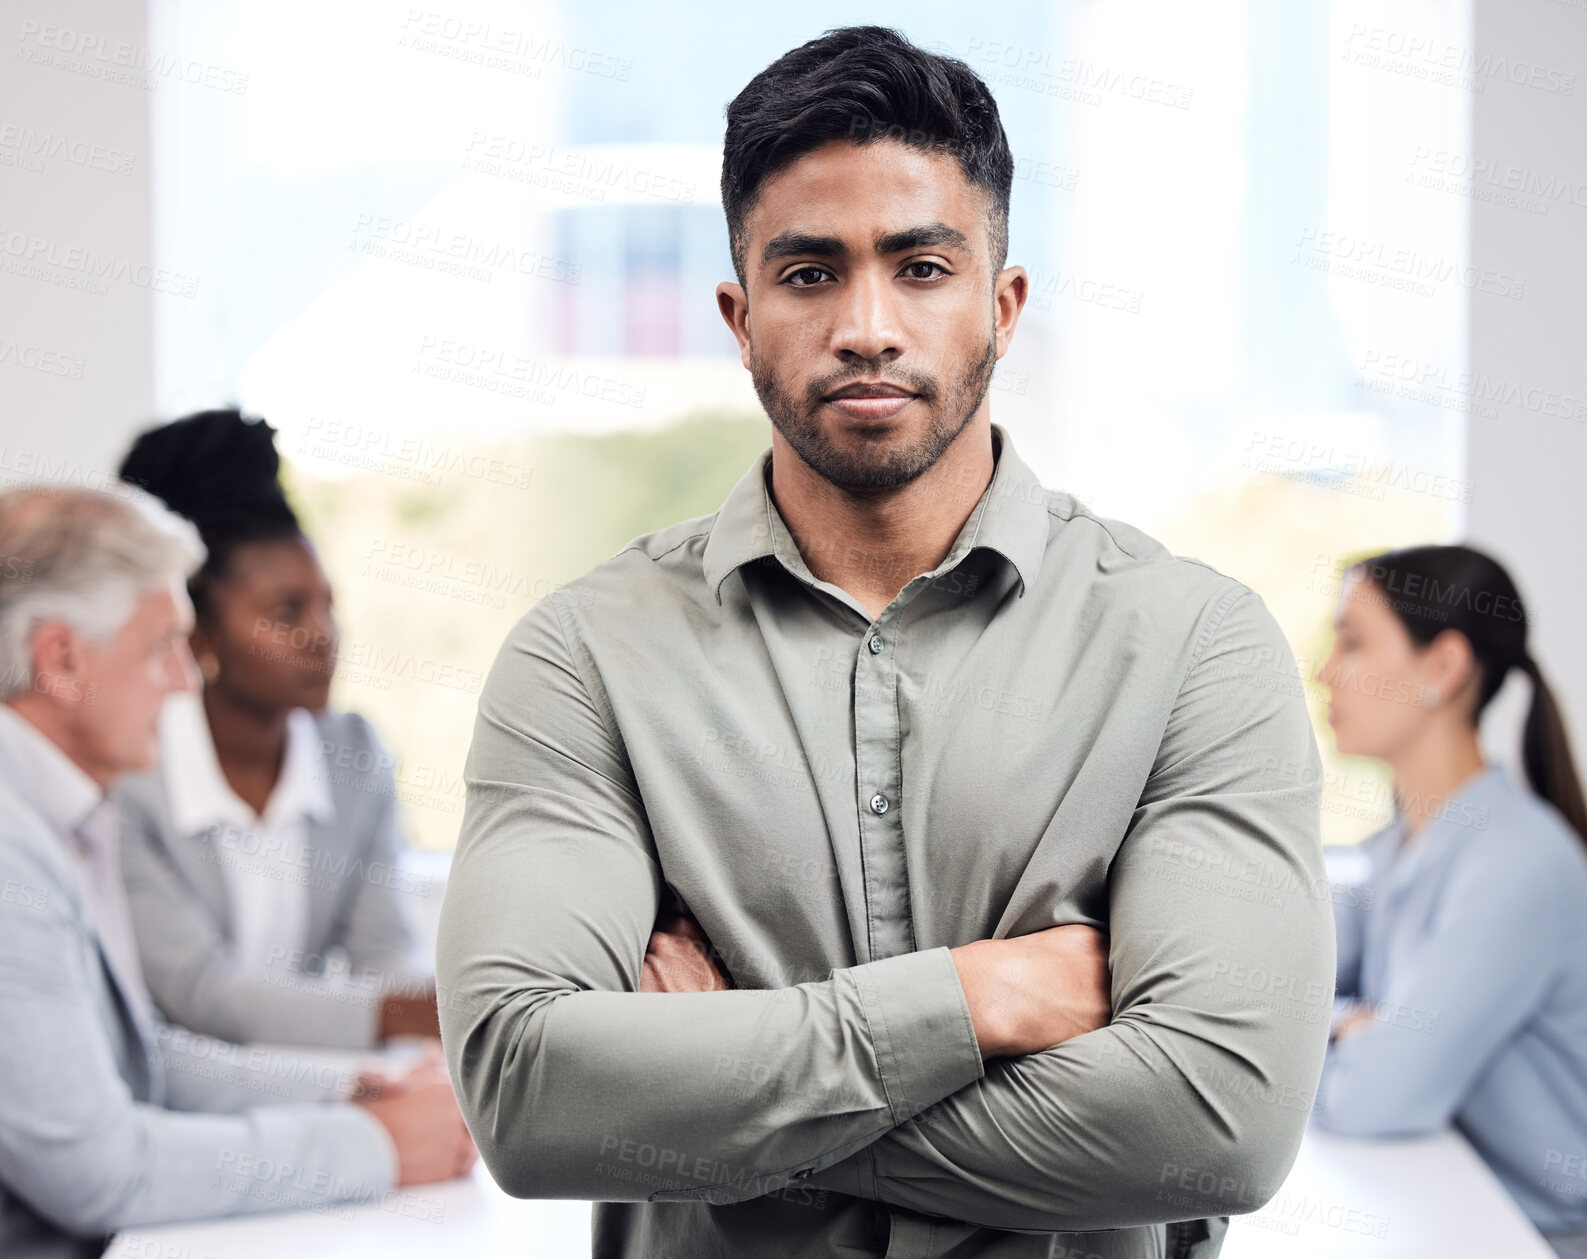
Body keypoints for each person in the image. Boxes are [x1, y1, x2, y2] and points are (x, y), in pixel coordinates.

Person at [436, 25, 1333, 1259]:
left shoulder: (1195, 647)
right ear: (739, 318)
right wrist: (985, 999)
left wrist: (734, 1076)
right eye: (810, 274)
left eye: (920, 267)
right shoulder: (584, 658)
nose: (867, 325)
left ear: (1001, 305)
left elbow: (1216, 1127)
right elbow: (531, 1098)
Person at [0, 483, 475, 1259]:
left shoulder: (64, 812)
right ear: (61, 661)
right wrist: (373, 1146)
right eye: (160, 649)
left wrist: (342, 1088)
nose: (185, 681)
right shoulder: (12, 845)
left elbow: (137, 1059)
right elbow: (97, 1170)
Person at [113, 409, 438, 1050]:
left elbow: (384, 955)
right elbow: (201, 993)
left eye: (327, 605)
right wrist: (405, 1015)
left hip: (317, 1089)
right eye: (286, 612)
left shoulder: (355, 753)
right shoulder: (132, 772)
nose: (322, 635)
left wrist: (419, 1043)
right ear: (198, 633)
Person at [1312, 545, 1587, 1256]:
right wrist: (1348, 1025)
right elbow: (1282, 995)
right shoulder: (1394, 849)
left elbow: (1370, 1101)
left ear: (1442, 667)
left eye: (1352, 641)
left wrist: (1344, 1037)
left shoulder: (1517, 862)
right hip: (1452, 1205)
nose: (1324, 672)